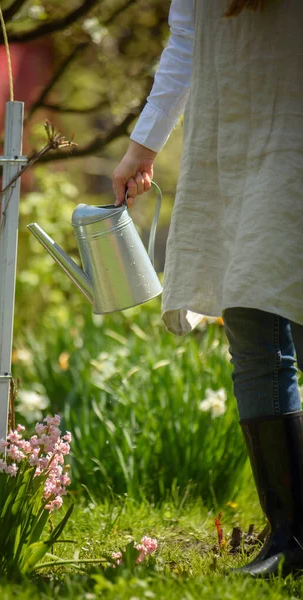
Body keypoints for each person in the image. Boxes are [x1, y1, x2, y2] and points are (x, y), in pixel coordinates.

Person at [112, 0, 303, 578]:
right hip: (229, 147)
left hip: (294, 140)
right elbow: (187, 42)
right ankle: (290, 540)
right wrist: (141, 147)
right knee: (250, 323)